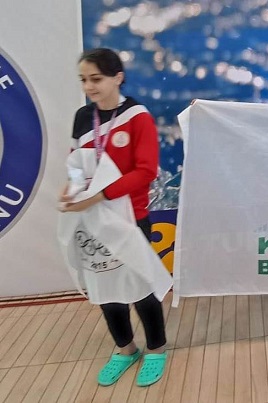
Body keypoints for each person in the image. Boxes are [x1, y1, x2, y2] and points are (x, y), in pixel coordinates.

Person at [59, 48, 171, 386]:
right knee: (105, 287)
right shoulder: (83, 117)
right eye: (83, 80)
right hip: (92, 220)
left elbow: (145, 171)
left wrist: (98, 195)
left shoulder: (138, 117)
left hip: (130, 218)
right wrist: (71, 189)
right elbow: (76, 164)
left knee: (140, 288)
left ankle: (156, 349)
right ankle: (125, 349)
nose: (88, 87)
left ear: (117, 77)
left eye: (96, 79)